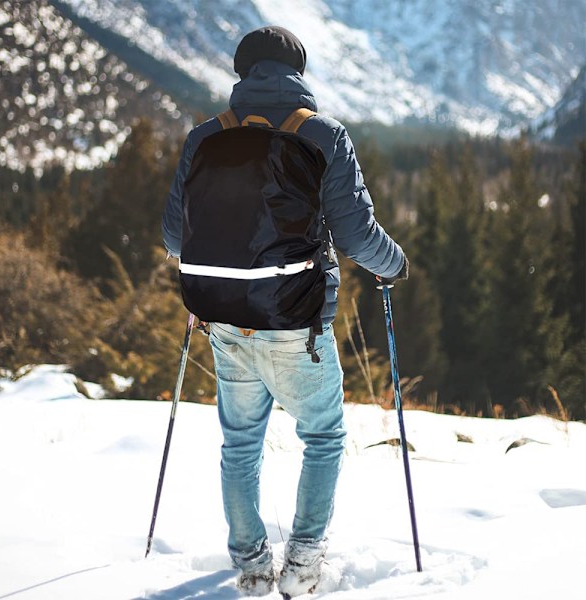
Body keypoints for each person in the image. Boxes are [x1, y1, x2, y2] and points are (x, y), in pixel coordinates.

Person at [162, 26, 408, 598]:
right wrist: (393, 265)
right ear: (298, 72)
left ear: (241, 72)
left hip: (224, 317)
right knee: (321, 436)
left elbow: (174, 236)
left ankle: (250, 568)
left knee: (240, 443)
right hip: (297, 321)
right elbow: (354, 231)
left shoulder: (205, 137)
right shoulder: (323, 134)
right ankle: (301, 564)